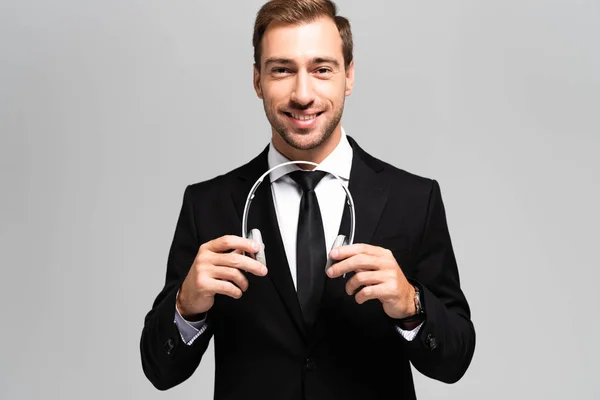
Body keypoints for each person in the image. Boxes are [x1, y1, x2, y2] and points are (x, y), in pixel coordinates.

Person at [140, 0, 476, 398]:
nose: (303, 94)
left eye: (321, 69)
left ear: (348, 77)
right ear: (257, 80)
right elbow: (161, 371)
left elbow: (454, 361)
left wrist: (411, 303)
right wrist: (185, 306)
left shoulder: (414, 199)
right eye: (282, 70)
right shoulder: (208, 205)